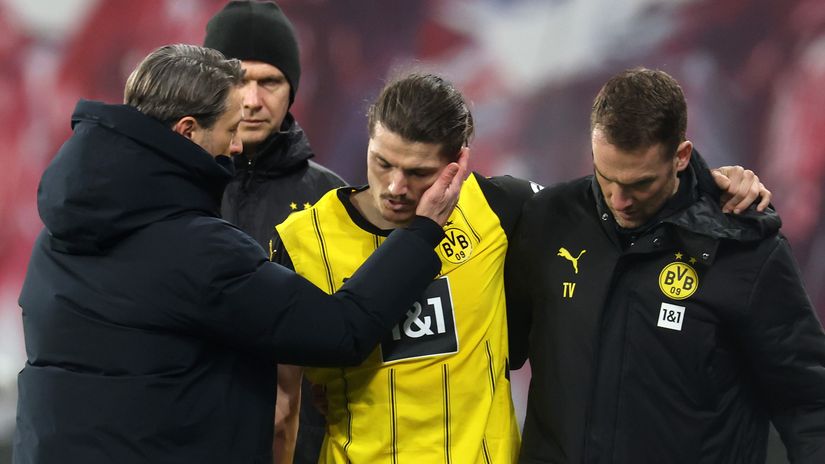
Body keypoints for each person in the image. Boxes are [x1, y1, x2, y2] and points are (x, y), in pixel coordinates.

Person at [273, 72, 773, 463]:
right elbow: (281, 406)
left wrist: (713, 186)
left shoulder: (500, 208)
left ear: (460, 162)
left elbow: (624, 201)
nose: (396, 186)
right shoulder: (299, 241)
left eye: (420, 173)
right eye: (382, 162)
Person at [13, 44, 466, 464]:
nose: (235, 146)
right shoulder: (199, 252)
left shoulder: (56, 237)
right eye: (230, 130)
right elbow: (341, 331)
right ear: (187, 130)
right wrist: (423, 231)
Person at [505, 67, 825, 464]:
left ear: (681, 156)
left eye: (640, 184)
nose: (619, 199)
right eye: (606, 177)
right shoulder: (547, 219)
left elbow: (810, 403)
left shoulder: (743, 248)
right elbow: (497, 350)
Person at [202, 3, 347, 461]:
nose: (251, 100)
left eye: (269, 81)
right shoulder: (171, 189)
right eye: (238, 79)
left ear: (292, 90)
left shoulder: (332, 201)